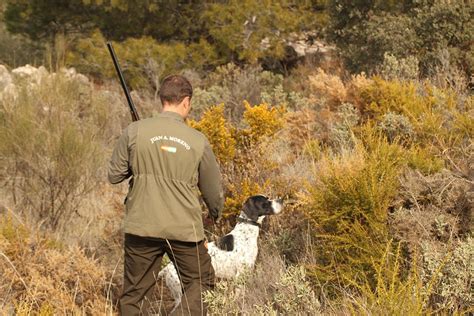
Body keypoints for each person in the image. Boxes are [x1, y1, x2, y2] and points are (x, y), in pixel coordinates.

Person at [108, 75, 224, 315]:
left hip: (142, 225)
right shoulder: (197, 141)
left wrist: (138, 161)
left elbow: (114, 175)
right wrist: (214, 215)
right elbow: (213, 192)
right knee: (203, 283)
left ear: (162, 99)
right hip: (184, 229)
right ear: (186, 101)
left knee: (134, 296)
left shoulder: (134, 131)